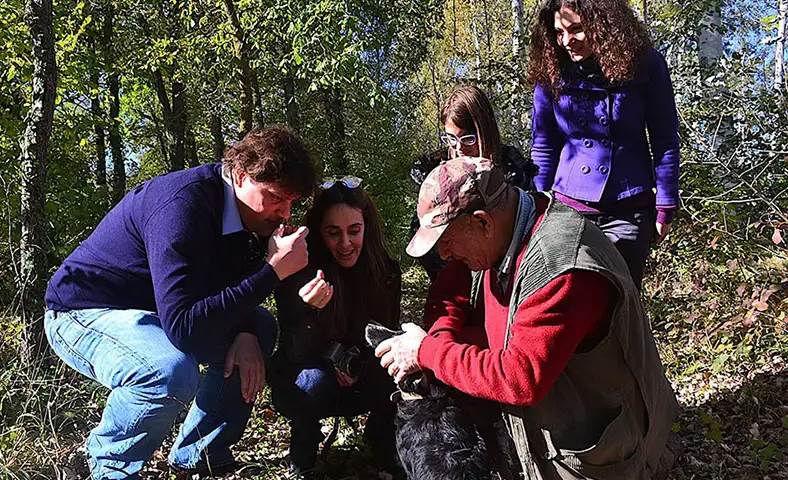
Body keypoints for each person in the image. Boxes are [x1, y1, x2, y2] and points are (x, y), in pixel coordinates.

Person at [376, 157, 681, 479]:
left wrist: (426, 352)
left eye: (447, 242)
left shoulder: (561, 269)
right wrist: (439, 339)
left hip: (604, 451)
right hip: (559, 416)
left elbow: (520, 379)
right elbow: (450, 290)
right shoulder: (506, 229)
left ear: (482, 222)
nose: (444, 255)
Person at [43, 127, 316, 479]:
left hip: (155, 312)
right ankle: (105, 466)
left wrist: (246, 328)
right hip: (83, 311)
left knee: (261, 326)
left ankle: (198, 457)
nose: (283, 212)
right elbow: (186, 330)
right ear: (241, 175)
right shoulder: (183, 205)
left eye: (292, 202)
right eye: (276, 197)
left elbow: (225, 296)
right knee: (168, 369)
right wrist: (270, 273)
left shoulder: (253, 220)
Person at [527, 0, 681, 288]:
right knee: (571, 303)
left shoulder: (646, 64)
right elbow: (544, 146)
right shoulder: (551, 72)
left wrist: (665, 206)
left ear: (603, 25)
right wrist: (537, 206)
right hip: (567, 212)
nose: (566, 42)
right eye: (559, 33)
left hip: (629, 209)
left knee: (622, 309)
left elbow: (665, 140)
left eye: (576, 30)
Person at [267, 178, 402, 478]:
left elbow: (389, 335)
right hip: (309, 375)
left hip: (365, 372)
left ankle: (382, 447)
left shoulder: (386, 272)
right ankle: (302, 460)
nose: (345, 244)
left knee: (399, 370)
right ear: (319, 233)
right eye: (333, 233)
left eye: (354, 231)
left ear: (367, 227)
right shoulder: (298, 270)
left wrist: (359, 364)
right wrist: (310, 311)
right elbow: (295, 351)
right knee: (312, 382)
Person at [414, 85, 535, 281]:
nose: (459, 147)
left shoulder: (513, 170)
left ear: (484, 132)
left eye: (468, 139)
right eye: (451, 139)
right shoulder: (438, 176)